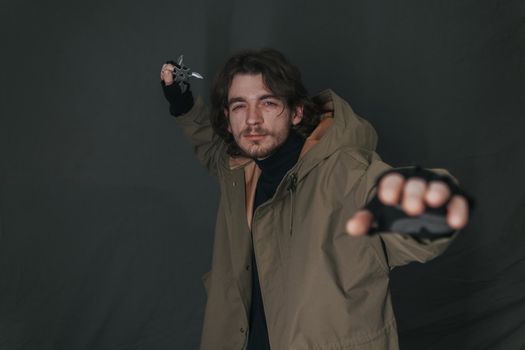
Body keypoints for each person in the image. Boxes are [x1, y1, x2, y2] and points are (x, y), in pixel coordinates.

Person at [159, 48, 470, 350]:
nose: (252, 120)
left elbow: (393, 202)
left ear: (297, 112)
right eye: (240, 106)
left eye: (267, 103)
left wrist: (428, 203)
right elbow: (211, 147)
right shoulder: (241, 171)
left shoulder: (344, 172)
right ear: (227, 119)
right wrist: (182, 103)